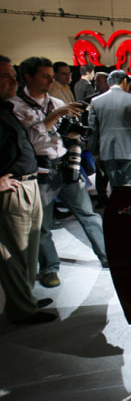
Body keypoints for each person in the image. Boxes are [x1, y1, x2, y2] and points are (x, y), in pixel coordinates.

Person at [11, 57, 109, 288]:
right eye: (45, 76)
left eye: (51, 76)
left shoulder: (55, 101)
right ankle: (49, 268)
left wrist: (74, 134)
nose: (50, 80)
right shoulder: (15, 106)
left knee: (89, 215)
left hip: (66, 165)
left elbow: (66, 133)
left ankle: (107, 258)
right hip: (39, 169)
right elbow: (28, 139)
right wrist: (56, 115)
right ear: (28, 77)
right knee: (43, 225)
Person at [0, 55, 56, 324]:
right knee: (16, 255)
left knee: (28, 251)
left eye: (13, 74)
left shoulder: (5, 109)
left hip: (30, 181)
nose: (12, 80)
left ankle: (26, 300)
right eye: (5, 75)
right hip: (14, 190)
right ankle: (22, 310)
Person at [88, 70, 131, 189]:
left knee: (114, 185)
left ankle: (116, 206)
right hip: (128, 149)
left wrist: (94, 152)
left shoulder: (96, 101)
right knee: (128, 187)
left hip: (106, 150)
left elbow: (93, 130)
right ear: (124, 81)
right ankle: (126, 207)